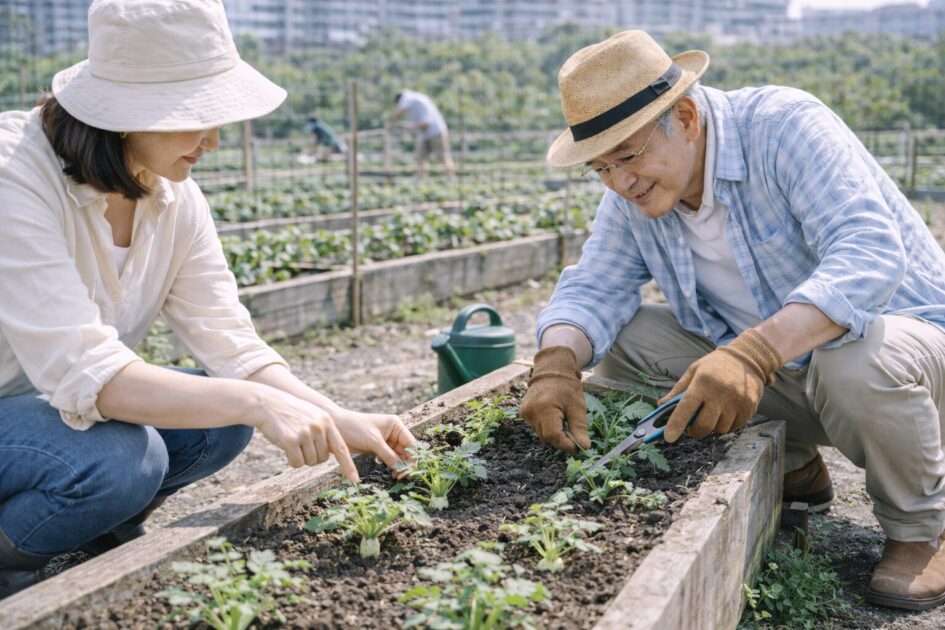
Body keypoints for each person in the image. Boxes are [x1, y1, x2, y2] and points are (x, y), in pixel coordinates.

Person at [0, 0, 414, 599]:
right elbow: (86, 369)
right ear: (126, 113)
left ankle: (92, 535)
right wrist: (254, 401)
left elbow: (230, 342)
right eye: (198, 116)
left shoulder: (170, 193)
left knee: (217, 425)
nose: (215, 140)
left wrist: (336, 415)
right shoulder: (15, 172)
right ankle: (14, 566)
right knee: (124, 457)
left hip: (50, 409)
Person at [520, 30, 945, 611]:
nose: (620, 182)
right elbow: (596, 284)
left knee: (853, 356)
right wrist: (555, 362)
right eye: (600, 168)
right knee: (627, 338)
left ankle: (922, 531)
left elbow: (870, 252)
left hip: (907, 355)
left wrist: (753, 353)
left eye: (628, 156)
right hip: (791, 373)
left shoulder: (783, 127)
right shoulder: (635, 195)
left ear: (688, 116)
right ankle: (795, 469)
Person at [386, 89, 455, 177]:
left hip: (436, 131)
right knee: (419, 158)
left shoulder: (408, 98)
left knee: (442, 158)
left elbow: (425, 123)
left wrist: (391, 123)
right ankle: (422, 181)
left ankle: (451, 179)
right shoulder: (417, 99)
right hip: (424, 134)